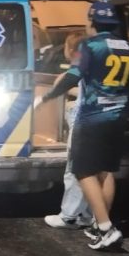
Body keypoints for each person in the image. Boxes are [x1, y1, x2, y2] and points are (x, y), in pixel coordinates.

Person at [36, 2, 129, 251]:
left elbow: (73, 76)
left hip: (93, 116)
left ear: (92, 22)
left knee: (83, 171)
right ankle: (97, 224)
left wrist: (46, 97)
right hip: (117, 116)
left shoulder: (89, 45)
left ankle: (105, 228)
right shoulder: (128, 47)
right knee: (106, 171)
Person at [43, 31, 94, 230]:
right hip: (97, 119)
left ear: (71, 50)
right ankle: (87, 215)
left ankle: (69, 216)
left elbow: (65, 84)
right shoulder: (96, 65)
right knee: (92, 169)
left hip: (82, 118)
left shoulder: (78, 66)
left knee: (75, 168)